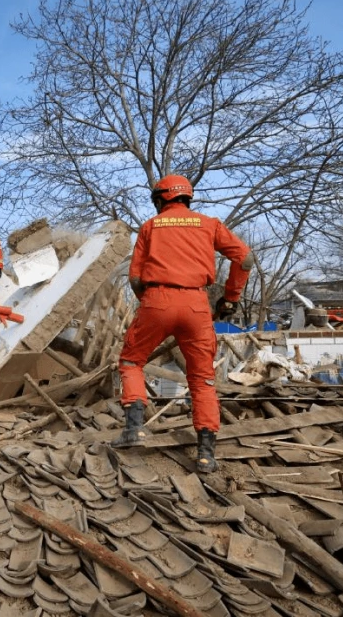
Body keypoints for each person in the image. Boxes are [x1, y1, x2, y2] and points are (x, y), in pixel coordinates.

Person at [113, 175, 253, 474]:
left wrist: (150, 302)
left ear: (161, 198)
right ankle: (205, 455)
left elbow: (136, 277)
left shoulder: (151, 226)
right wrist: (230, 299)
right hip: (196, 304)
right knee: (202, 379)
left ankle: (134, 430)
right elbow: (244, 258)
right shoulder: (209, 224)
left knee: (131, 361)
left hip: (157, 300)